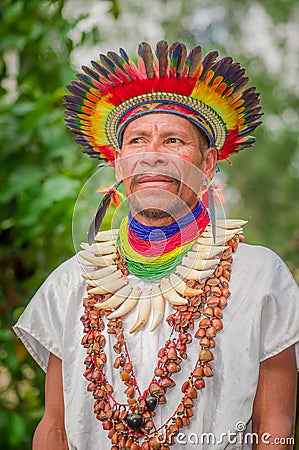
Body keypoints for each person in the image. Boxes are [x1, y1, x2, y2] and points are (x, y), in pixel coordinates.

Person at [13, 41, 299, 450]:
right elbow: (55, 429)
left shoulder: (258, 277)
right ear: (118, 165)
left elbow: (275, 428)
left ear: (208, 163)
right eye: (136, 141)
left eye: (173, 142)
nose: (152, 156)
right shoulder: (72, 283)